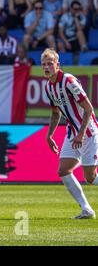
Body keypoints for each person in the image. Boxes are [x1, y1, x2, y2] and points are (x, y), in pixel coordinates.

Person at [43, 48, 98, 219]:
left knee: (90, 178)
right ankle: (86, 209)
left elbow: (88, 109)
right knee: (63, 170)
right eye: (43, 64)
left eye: (50, 64)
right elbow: (55, 113)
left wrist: (81, 134)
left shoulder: (69, 81)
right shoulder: (48, 86)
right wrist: (49, 135)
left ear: (57, 65)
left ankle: (87, 209)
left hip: (87, 131)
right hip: (72, 132)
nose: (46, 67)